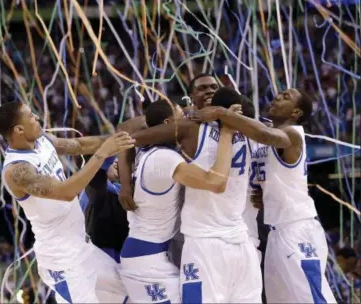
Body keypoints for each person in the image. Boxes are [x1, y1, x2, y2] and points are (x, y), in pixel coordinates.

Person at [193, 87, 336, 303]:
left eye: (286, 97)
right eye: (280, 94)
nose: (277, 96)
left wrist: (221, 112)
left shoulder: (292, 134)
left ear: (295, 113)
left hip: (298, 229)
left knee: (313, 299)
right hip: (275, 233)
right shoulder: (267, 133)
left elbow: (263, 134)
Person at [119, 89, 262, 303]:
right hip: (241, 239)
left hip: (204, 242)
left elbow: (125, 136)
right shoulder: (253, 134)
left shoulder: (190, 132)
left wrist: (124, 184)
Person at [0, 101, 134, 303]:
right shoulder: (16, 171)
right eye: (31, 116)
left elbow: (79, 145)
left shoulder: (42, 140)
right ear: (19, 129)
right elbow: (67, 191)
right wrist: (103, 152)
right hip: (61, 260)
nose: (37, 117)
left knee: (126, 290)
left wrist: (123, 140)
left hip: (82, 247)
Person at [118, 73, 219, 211]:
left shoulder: (229, 117)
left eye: (214, 87)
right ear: (191, 97)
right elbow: (124, 130)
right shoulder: (185, 117)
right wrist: (125, 185)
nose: (209, 91)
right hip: (181, 205)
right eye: (202, 88)